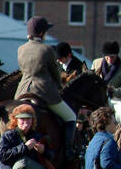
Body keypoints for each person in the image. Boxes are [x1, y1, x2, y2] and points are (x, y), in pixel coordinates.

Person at [16, 16, 78, 161]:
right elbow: (55, 73)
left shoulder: (21, 49)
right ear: (42, 33)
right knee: (71, 117)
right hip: (43, 91)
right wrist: (58, 85)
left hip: (22, 91)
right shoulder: (47, 49)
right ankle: (68, 150)